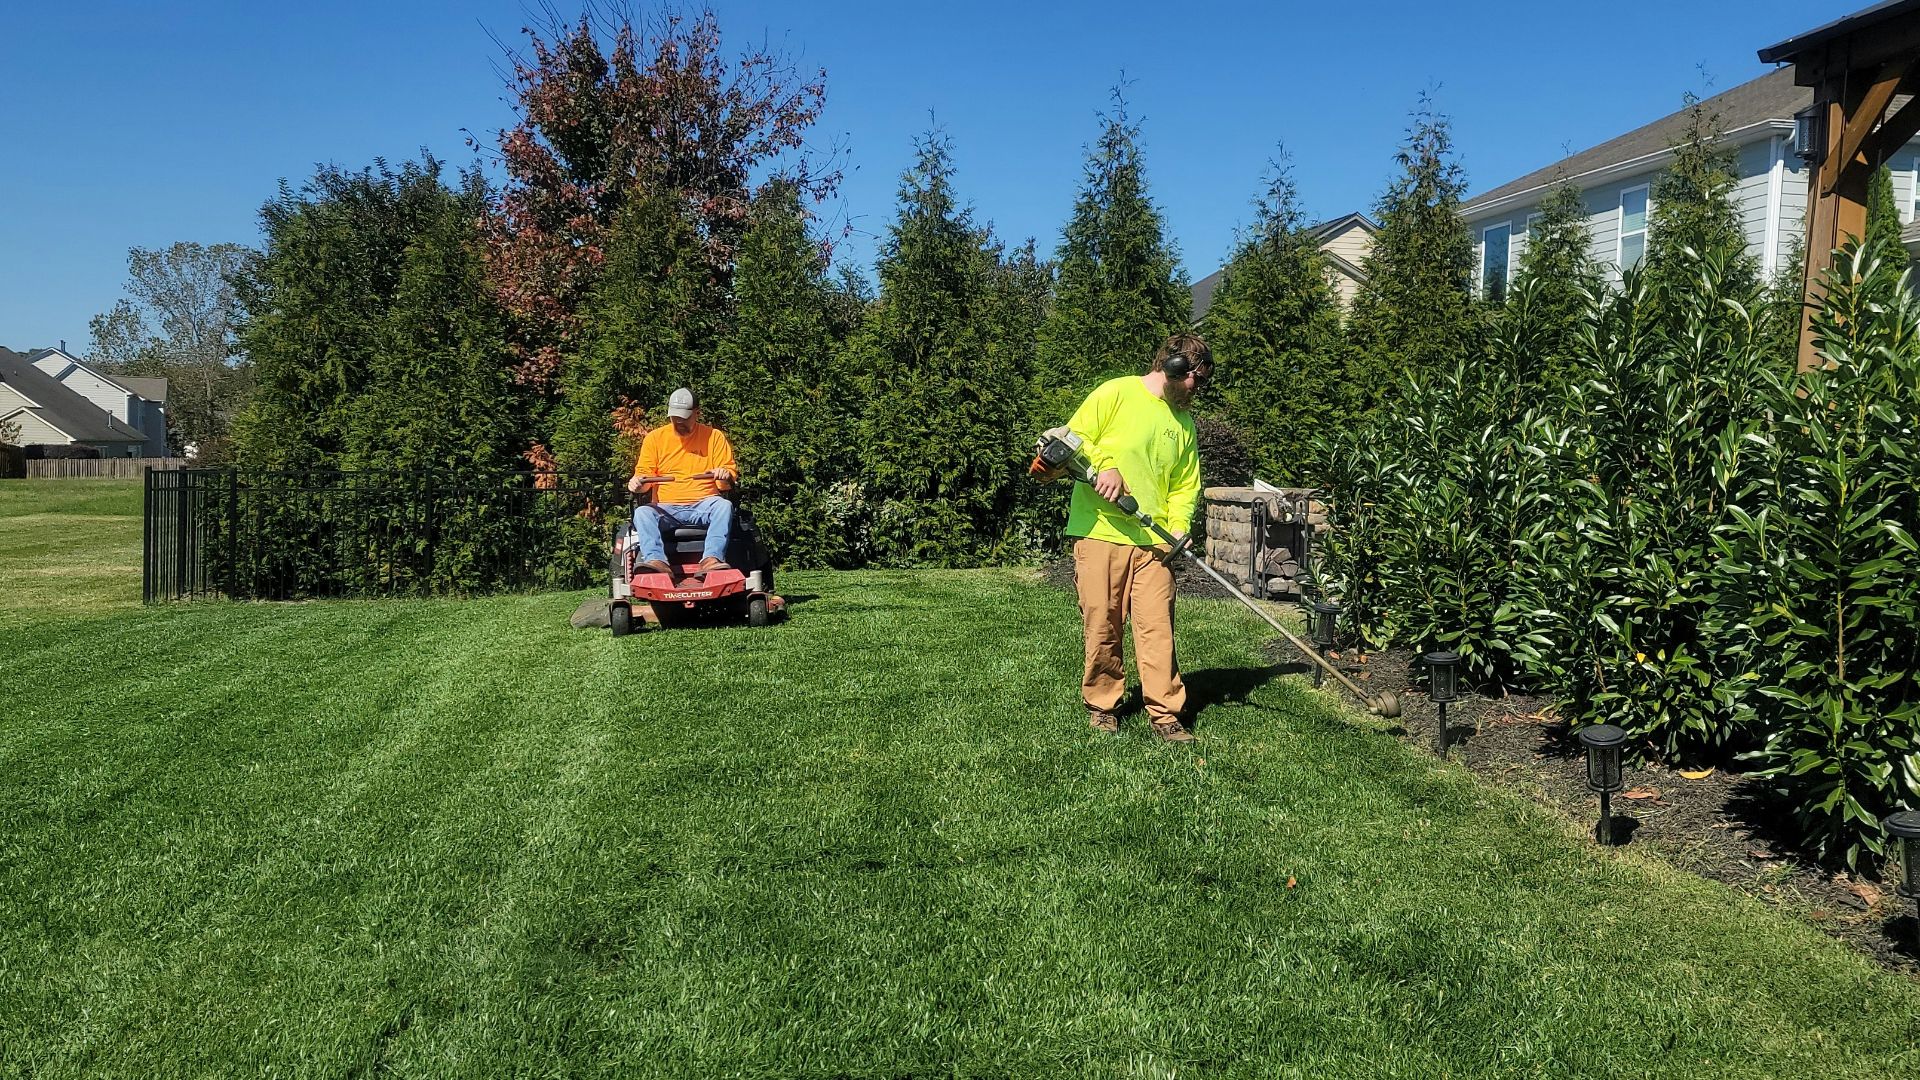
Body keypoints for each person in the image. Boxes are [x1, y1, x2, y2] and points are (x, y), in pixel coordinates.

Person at [1062, 333, 1209, 743]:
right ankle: (1103, 706)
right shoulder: (1117, 393)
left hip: (1155, 544)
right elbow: (1071, 439)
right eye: (1194, 377)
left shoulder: (1183, 423)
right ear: (1172, 367)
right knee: (1102, 624)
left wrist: (1179, 526)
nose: (1197, 387)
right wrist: (1104, 466)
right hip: (1101, 532)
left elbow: (1184, 485)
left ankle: (1165, 713)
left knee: (1157, 628)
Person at [628, 387, 738, 576]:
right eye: (675, 417)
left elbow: (725, 484)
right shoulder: (655, 439)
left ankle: (711, 559)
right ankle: (656, 561)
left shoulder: (714, 437)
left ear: (697, 413)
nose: (678, 422)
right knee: (642, 513)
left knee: (724, 506)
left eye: (684, 417)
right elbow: (644, 479)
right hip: (666, 508)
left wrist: (724, 475)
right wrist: (638, 484)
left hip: (705, 504)